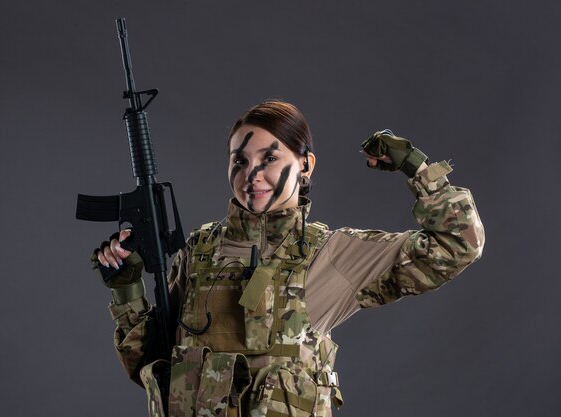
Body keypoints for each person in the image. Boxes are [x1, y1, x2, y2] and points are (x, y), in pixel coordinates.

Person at [91, 100, 485, 417]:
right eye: (240, 160)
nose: (253, 175)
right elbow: (153, 366)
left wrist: (417, 168)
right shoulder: (199, 252)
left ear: (305, 166)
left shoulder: (333, 253)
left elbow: (458, 243)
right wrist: (127, 290)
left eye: (270, 159)